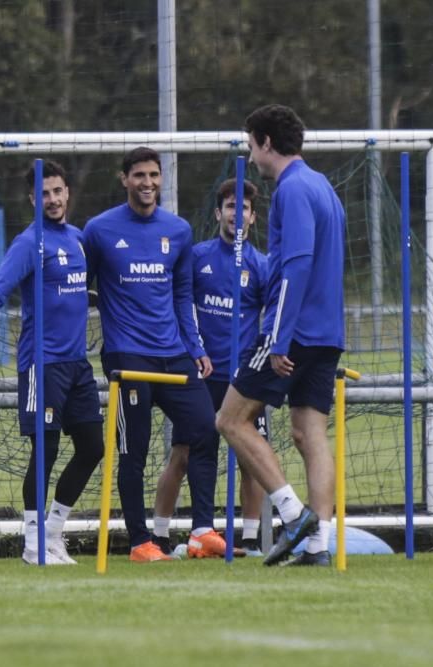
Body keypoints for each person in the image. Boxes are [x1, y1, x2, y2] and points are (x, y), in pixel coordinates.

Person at [216, 104, 346, 567]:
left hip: (294, 332)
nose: (250, 157)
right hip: (328, 332)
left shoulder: (292, 190)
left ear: (267, 142)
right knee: (309, 433)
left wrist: (278, 338)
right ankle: (317, 547)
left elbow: (296, 267)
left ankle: (293, 515)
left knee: (230, 420)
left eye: (251, 145)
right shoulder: (323, 186)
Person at [82, 147, 222, 562]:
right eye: (139, 175)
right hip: (128, 359)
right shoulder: (99, 230)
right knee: (134, 449)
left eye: (154, 175)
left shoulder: (177, 231)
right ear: (124, 179)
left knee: (205, 429)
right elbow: (79, 286)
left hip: (174, 354)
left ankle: (201, 532)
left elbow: (181, 295)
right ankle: (141, 541)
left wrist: (195, 347)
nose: (147, 183)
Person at [0, 160, 103, 565]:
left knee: (93, 447)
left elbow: (78, 293)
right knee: (46, 449)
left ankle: (53, 533)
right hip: (42, 366)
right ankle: (32, 544)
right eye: (44, 193)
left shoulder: (77, 239)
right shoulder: (29, 243)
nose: (53, 199)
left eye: (58, 191)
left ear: (67, 193)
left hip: (77, 366)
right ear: (32, 199)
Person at [152, 177, 271, 557]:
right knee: (184, 454)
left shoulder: (261, 265)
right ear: (219, 212)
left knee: (251, 457)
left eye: (245, 208)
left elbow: (273, 318)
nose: (238, 213)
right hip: (203, 376)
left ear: (253, 218)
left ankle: (250, 539)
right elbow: (180, 304)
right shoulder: (199, 256)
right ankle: (159, 535)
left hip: (244, 380)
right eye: (231, 206)